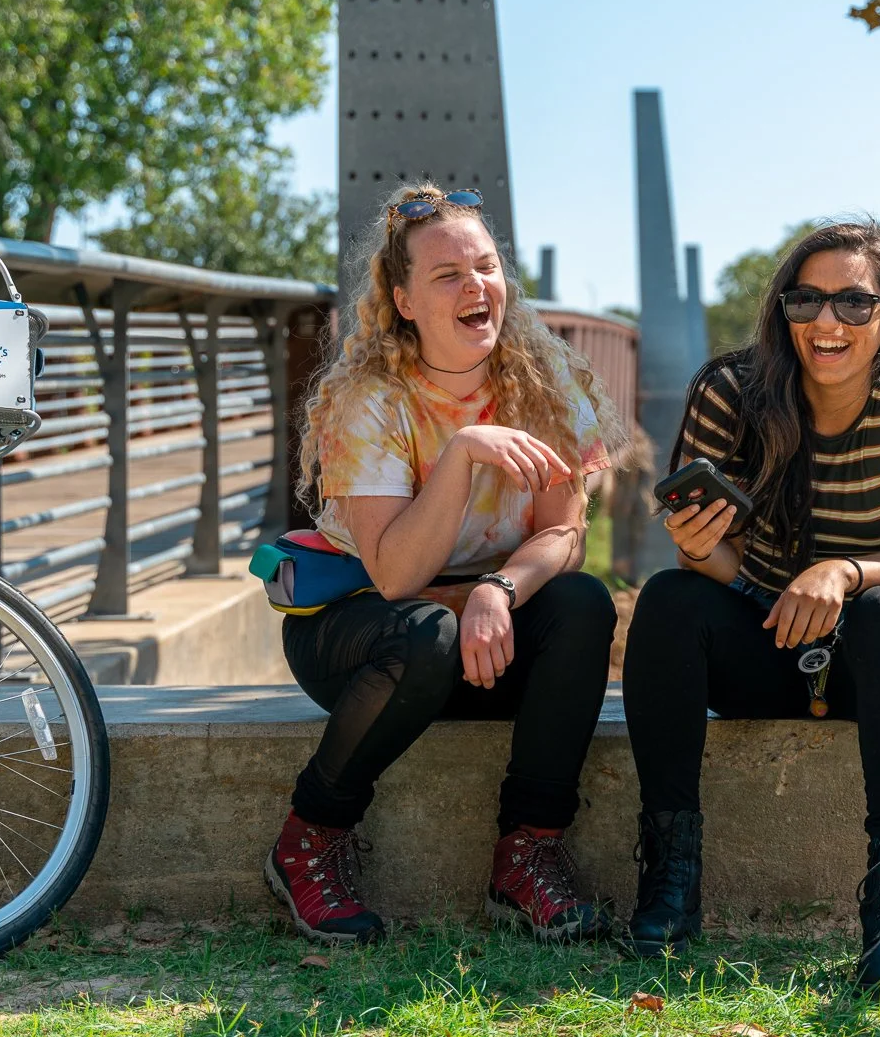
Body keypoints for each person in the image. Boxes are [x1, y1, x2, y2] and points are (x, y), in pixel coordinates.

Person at [619, 220, 880, 1002]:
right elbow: (713, 567)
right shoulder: (730, 389)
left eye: (855, 301)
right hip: (770, 638)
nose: (828, 321)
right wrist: (698, 543)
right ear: (782, 310)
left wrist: (842, 572)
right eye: (807, 299)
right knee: (671, 599)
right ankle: (671, 875)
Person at [265, 183, 624, 947]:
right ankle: (309, 839)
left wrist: (500, 587)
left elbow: (566, 533)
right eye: (448, 275)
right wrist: (462, 454)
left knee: (584, 604)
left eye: (486, 268)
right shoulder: (370, 400)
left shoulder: (544, 381)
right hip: (364, 634)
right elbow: (395, 575)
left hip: (483, 633)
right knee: (422, 628)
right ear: (403, 299)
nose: (476, 287)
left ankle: (526, 854)